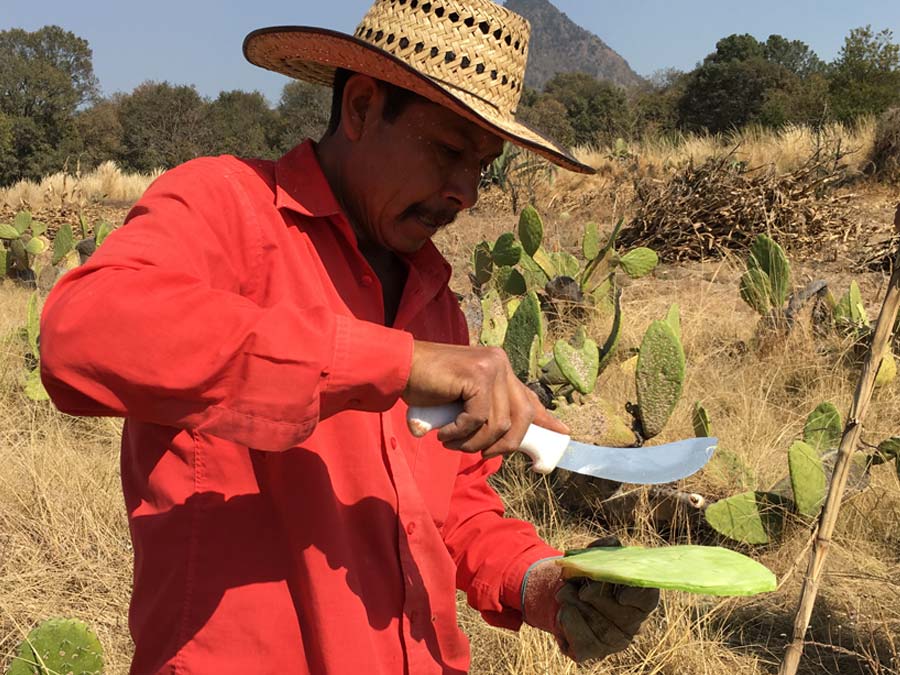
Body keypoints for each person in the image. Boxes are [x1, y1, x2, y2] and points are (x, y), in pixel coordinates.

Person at [40, 0, 658, 673]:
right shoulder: (226, 207)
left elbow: (454, 508)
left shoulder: (436, 306)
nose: (465, 192)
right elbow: (81, 333)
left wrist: (538, 581)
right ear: (361, 107)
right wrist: (392, 362)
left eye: (482, 164)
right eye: (449, 149)